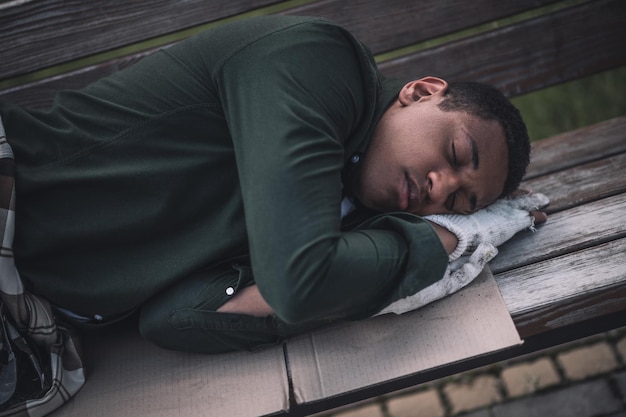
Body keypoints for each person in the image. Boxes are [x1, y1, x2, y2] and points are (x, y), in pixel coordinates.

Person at [0, 15, 547, 355]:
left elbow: (181, 319)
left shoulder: (347, 213)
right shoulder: (315, 61)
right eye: (455, 154)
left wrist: (425, 237)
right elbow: (299, 282)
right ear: (422, 91)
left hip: (30, 318)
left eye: (455, 203)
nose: (438, 187)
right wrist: (449, 239)